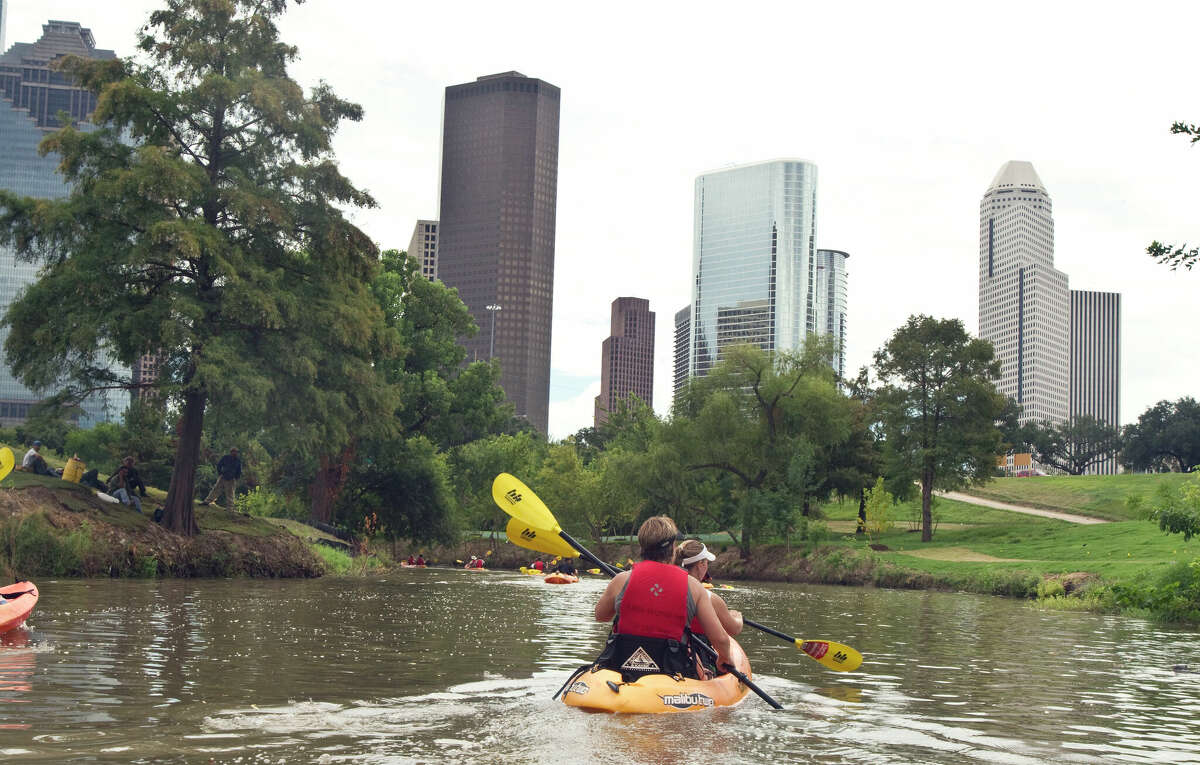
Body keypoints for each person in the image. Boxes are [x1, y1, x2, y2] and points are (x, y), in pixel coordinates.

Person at [592, 516, 733, 681]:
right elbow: (721, 639)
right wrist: (725, 658)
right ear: (673, 547)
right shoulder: (694, 587)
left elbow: (601, 616)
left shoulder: (621, 580)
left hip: (622, 667)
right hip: (672, 671)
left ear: (642, 546)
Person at [675, 539, 742, 678]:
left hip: (674, 649)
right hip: (699, 652)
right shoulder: (710, 598)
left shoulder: (667, 590)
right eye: (706, 562)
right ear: (701, 564)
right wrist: (737, 617)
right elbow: (734, 629)